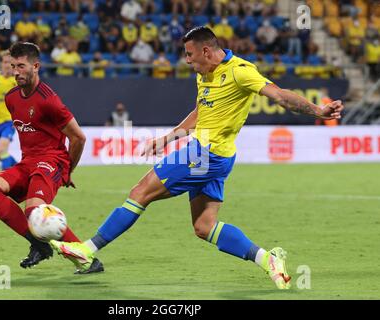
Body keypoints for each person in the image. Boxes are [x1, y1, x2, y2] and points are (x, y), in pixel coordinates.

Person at [50, 27, 343, 287]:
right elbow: (200, 112)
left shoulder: (240, 71)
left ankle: (87, 250)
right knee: (204, 227)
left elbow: (279, 96)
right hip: (219, 158)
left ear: (206, 50)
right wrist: (169, 137)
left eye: (190, 54)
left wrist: (318, 111)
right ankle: (267, 259)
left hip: (204, 153)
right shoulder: (204, 75)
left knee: (140, 192)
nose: (186, 60)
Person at [0, 42, 104, 273]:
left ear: (35, 66)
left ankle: (87, 260)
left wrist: (67, 171)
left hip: (51, 160)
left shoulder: (49, 100)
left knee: (34, 210)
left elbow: (79, 137)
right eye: (13, 65)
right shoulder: (11, 98)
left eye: (21, 66)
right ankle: (38, 244)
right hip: (27, 162)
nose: (16, 72)